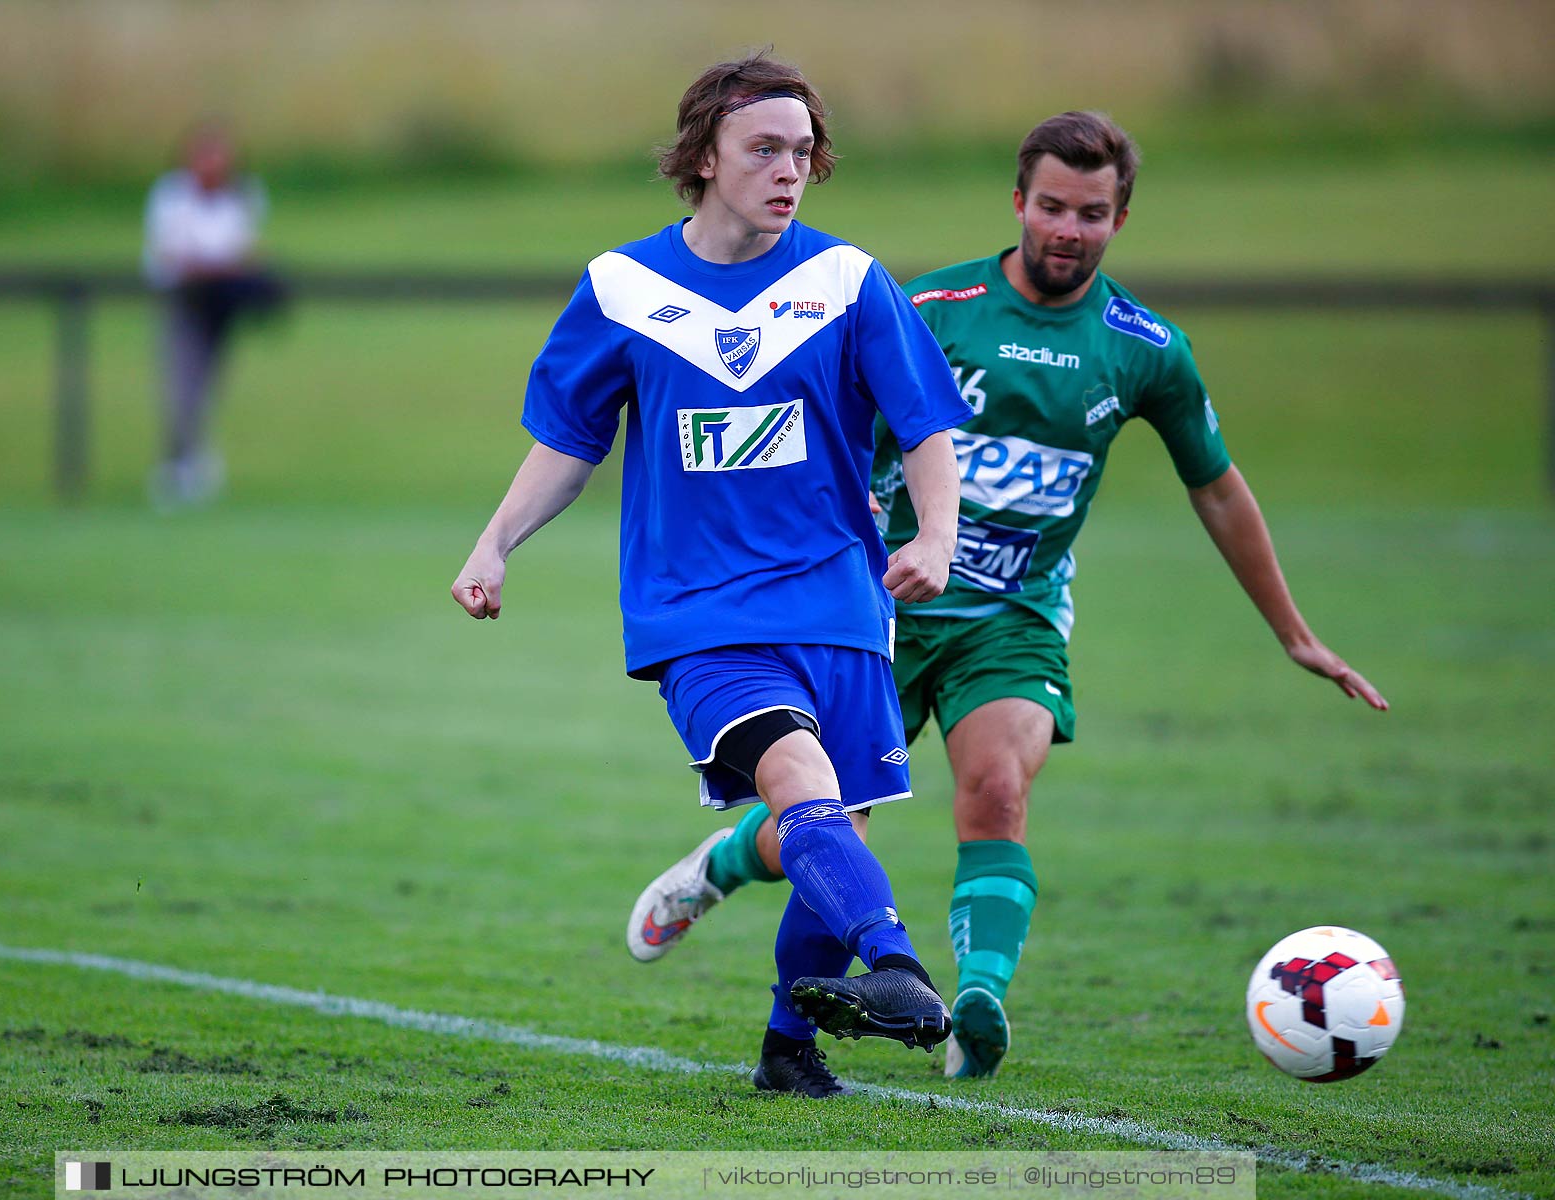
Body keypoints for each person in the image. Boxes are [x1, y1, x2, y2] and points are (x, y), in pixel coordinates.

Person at [627, 110, 1388, 1082]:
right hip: (871, 612)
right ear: (1019, 203)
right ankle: (732, 861)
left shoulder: (1146, 348)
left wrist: (1294, 633)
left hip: (1013, 619)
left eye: (1095, 212)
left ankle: (977, 1001)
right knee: (826, 831)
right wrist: (841, 488)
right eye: (1053, 206)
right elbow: (820, 413)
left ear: (1120, 218)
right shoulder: (931, 307)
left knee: (996, 789)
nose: (1069, 228)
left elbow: (1219, 485)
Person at [451, 52, 975, 1098]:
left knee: (830, 830)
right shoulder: (625, 288)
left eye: (804, 151)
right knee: (800, 787)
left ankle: (791, 1050)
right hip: (699, 615)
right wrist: (496, 539)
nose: (791, 170)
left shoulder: (846, 282)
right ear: (702, 159)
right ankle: (902, 970)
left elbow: (924, 427)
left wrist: (936, 536)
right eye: (765, 149)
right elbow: (569, 442)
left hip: (840, 602)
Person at [142, 120, 283, 509]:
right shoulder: (172, 196)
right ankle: (177, 468)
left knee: (206, 384)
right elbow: (174, 257)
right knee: (180, 384)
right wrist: (224, 266)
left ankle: (193, 462)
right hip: (184, 301)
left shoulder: (243, 195)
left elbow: (246, 250)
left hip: (221, 304)